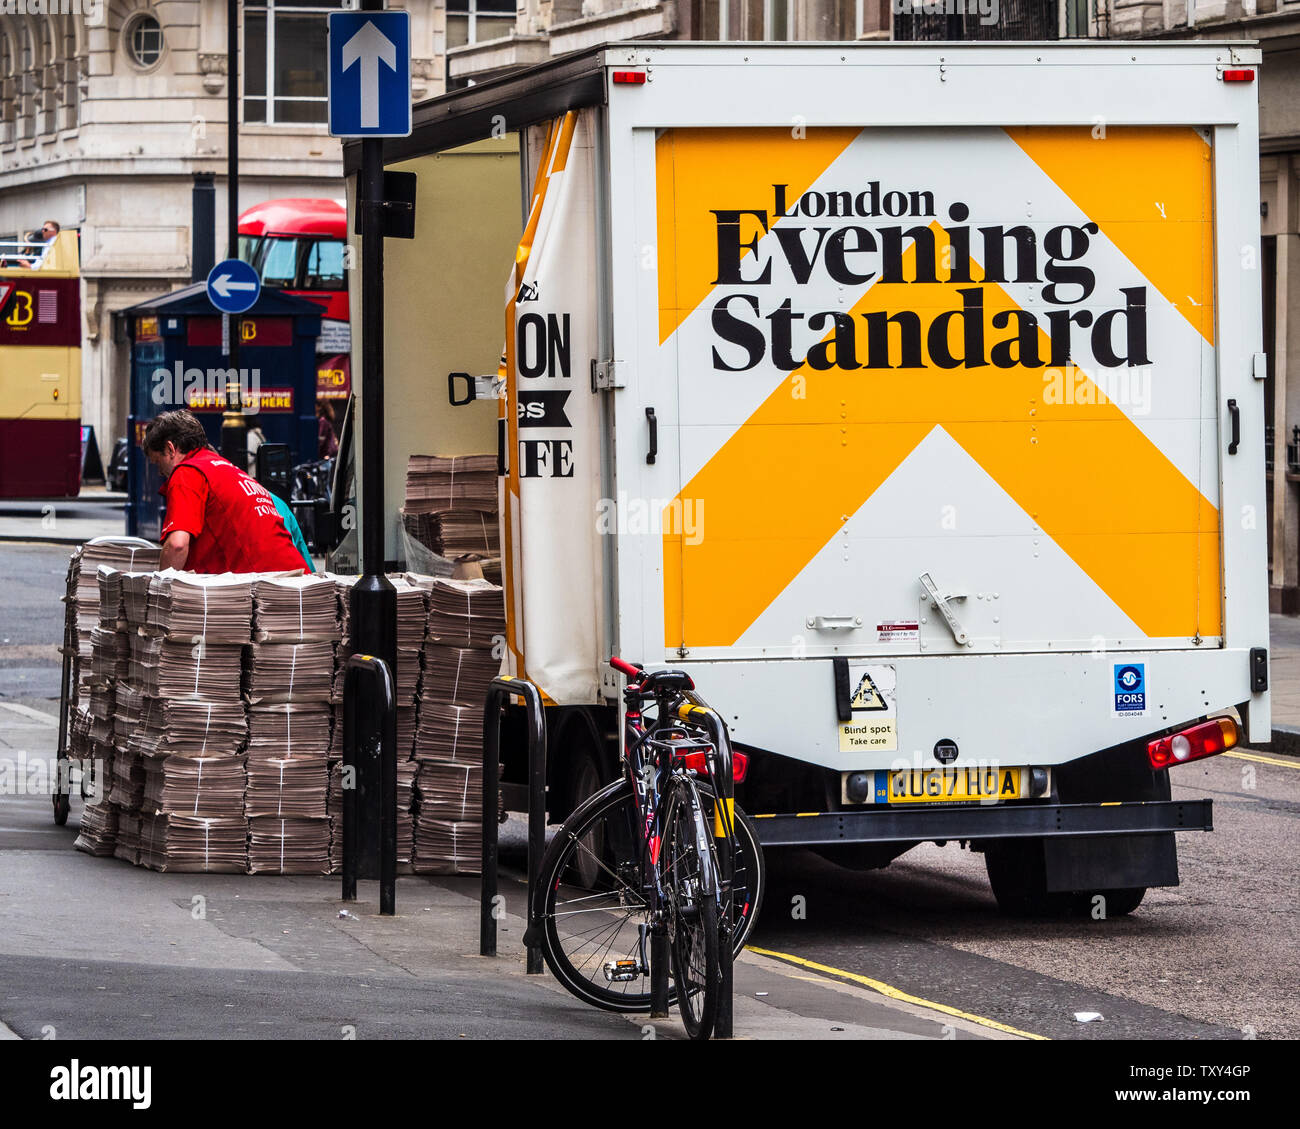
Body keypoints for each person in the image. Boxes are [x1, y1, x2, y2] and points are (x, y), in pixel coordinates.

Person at [143, 409, 309, 574]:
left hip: (269, 586)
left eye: (158, 462)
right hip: (296, 581)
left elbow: (177, 545)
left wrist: (159, 590)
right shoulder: (226, 468)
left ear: (170, 449)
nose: (160, 472)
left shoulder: (187, 472)